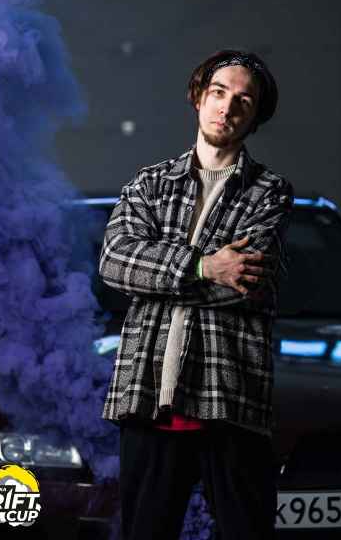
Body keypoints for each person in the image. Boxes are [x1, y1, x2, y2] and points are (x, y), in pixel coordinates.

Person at [99, 48, 294, 540]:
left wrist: (157, 278)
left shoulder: (269, 192)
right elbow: (115, 262)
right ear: (198, 97)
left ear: (255, 116)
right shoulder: (148, 184)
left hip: (230, 394)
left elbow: (248, 282)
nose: (227, 108)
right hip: (148, 394)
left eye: (243, 101)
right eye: (218, 93)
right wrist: (206, 266)